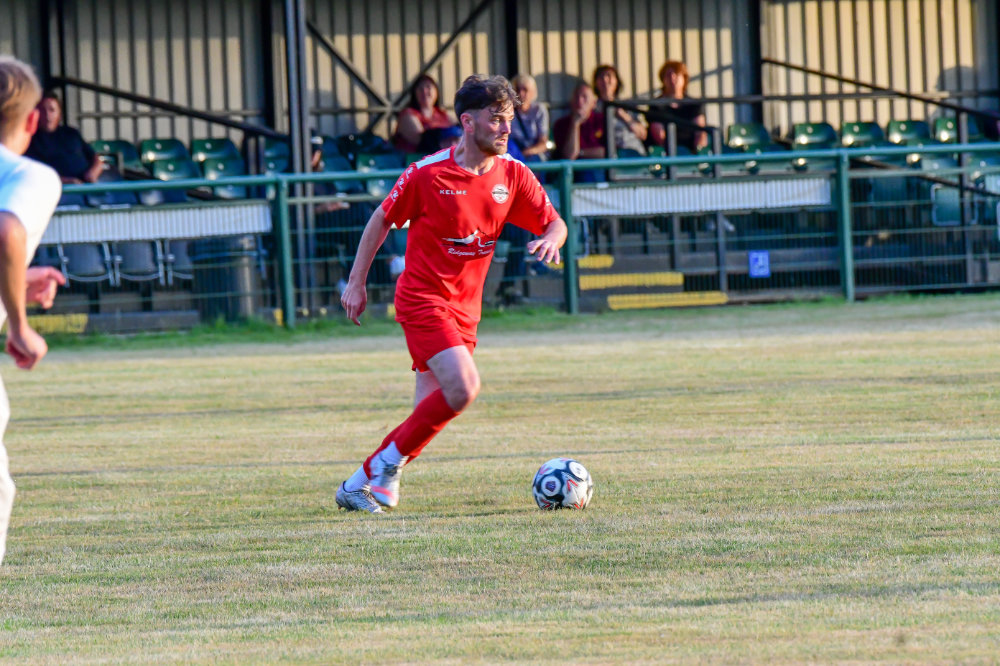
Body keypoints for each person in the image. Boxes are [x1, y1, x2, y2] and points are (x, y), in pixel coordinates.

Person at [336, 74, 567, 512]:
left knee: (427, 416)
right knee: (464, 388)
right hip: (422, 300)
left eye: (509, 119)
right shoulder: (427, 173)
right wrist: (356, 281)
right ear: (468, 122)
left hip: (466, 313)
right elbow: (381, 219)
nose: (506, 129)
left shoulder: (513, 174)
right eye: (496, 119)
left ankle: (358, 484)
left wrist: (553, 238)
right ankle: (379, 466)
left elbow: (554, 222)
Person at [0, 56, 67, 564]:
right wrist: (19, 323)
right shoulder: (32, 176)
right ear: (32, 119)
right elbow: (6, 230)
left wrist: (18, 280)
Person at [24, 89, 102, 184]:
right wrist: (64, 181)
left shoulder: (71, 133)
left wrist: (93, 172)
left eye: (52, 110)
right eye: (43, 111)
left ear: (59, 113)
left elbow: (95, 158)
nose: (48, 115)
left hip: (88, 185)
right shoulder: (30, 139)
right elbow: (32, 172)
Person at [647, 60, 707, 153]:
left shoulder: (694, 104)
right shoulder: (656, 105)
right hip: (666, 152)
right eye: (668, 75)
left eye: (677, 74)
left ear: (684, 78)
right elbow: (659, 136)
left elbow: (700, 132)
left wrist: (697, 153)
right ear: (663, 79)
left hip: (691, 151)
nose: (672, 78)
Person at [391, 74, 455, 154]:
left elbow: (460, 131)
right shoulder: (407, 115)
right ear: (414, 93)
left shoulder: (443, 114)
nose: (424, 91)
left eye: (428, 87)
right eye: (420, 88)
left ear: (436, 92)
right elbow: (422, 141)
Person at [592, 64, 647, 155]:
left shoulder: (627, 106)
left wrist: (622, 114)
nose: (605, 80)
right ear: (596, 83)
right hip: (610, 154)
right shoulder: (592, 108)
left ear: (617, 81)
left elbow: (643, 134)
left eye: (609, 76)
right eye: (601, 77)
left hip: (634, 151)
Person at [509, 74, 549, 163]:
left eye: (525, 90)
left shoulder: (539, 110)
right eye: (518, 89)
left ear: (533, 92)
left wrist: (525, 153)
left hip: (534, 155)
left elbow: (543, 143)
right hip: (513, 153)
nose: (520, 93)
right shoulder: (508, 110)